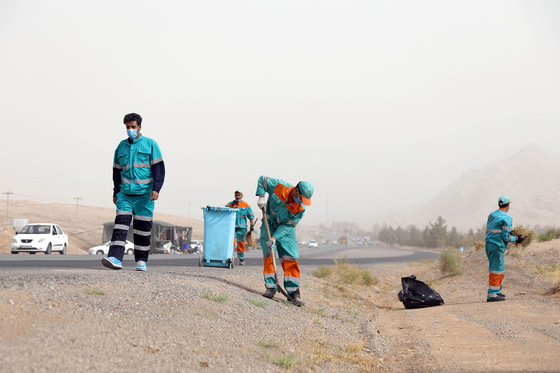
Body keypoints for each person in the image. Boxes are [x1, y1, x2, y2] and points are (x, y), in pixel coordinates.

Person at [102, 113, 165, 271]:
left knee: (142, 229)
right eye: (128, 127)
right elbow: (116, 172)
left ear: (139, 127)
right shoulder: (121, 147)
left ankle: (141, 261)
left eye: (133, 127)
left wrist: (156, 189)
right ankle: (115, 258)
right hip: (125, 195)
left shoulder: (150, 145)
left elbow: (159, 170)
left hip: (145, 195)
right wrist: (116, 192)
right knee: (120, 226)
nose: (130, 130)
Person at [255, 176, 314, 307]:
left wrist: (275, 238)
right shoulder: (279, 186)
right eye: (302, 197)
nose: (302, 201)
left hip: (286, 229)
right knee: (269, 255)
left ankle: (293, 292)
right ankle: (271, 287)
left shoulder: (300, 207)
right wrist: (261, 196)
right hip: (268, 223)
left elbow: (288, 225)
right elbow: (262, 180)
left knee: (291, 258)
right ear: (297, 190)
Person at [485, 195, 523, 302]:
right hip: (497, 246)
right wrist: (517, 239)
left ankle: (496, 291)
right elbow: (506, 237)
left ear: (499, 204)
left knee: (498, 269)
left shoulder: (491, 215)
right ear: (508, 205)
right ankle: (492, 294)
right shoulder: (507, 218)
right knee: (496, 270)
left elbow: (497, 230)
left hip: (489, 245)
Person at [225, 189, 255, 266]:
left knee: (241, 244)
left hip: (242, 229)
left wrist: (251, 225)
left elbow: (251, 216)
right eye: (236, 195)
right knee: (232, 243)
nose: (237, 196)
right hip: (232, 228)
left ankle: (241, 259)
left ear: (242, 196)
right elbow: (224, 213)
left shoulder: (246, 205)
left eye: (239, 195)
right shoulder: (229, 205)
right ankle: (230, 258)